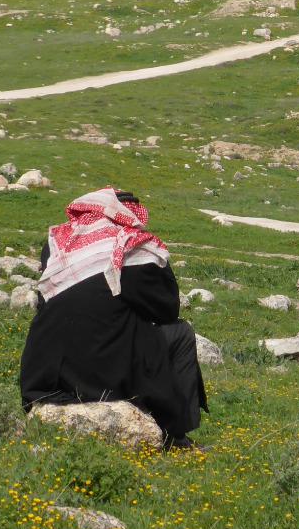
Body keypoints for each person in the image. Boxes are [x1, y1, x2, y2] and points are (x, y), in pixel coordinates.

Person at [20, 188, 207, 450]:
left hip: (50, 371)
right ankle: (177, 434)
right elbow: (166, 309)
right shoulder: (131, 247)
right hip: (105, 367)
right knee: (180, 332)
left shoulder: (56, 243)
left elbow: (44, 302)